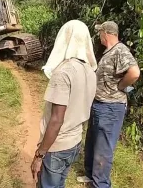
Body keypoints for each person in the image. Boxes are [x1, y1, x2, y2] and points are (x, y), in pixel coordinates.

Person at [31, 20, 98, 188]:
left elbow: (56, 120)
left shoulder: (63, 73)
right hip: (75, 142)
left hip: (57, 146)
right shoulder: (90, 71)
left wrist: (39, 155)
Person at [78, 21, 141, 188]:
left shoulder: (120, 50)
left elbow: (134, 73)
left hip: (111, 107)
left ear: (106, 33)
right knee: (92, 143)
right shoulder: (109, 52)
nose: (99, 36)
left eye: (100, 33)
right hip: (99, 104)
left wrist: (120, 87)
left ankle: (101, 184)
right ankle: (91, 176)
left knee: (103, 150)